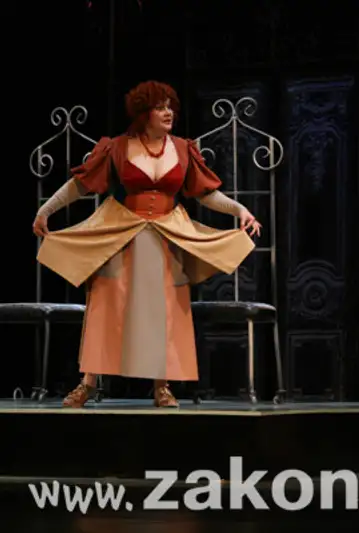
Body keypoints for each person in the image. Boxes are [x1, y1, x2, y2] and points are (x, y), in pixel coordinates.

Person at [33, 81, 260, 408]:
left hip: (167, 235)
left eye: (170, 107)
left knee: (164, 308)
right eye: (159, 107)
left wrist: (240, 210)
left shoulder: (182, 149)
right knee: (106, 304)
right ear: (143, 114)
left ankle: (162, 386)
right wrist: (46, 210)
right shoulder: (117, 147)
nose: (168, 113)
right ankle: (88, 383)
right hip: (122, 231)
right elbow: (81, 185)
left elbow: (206, 193)